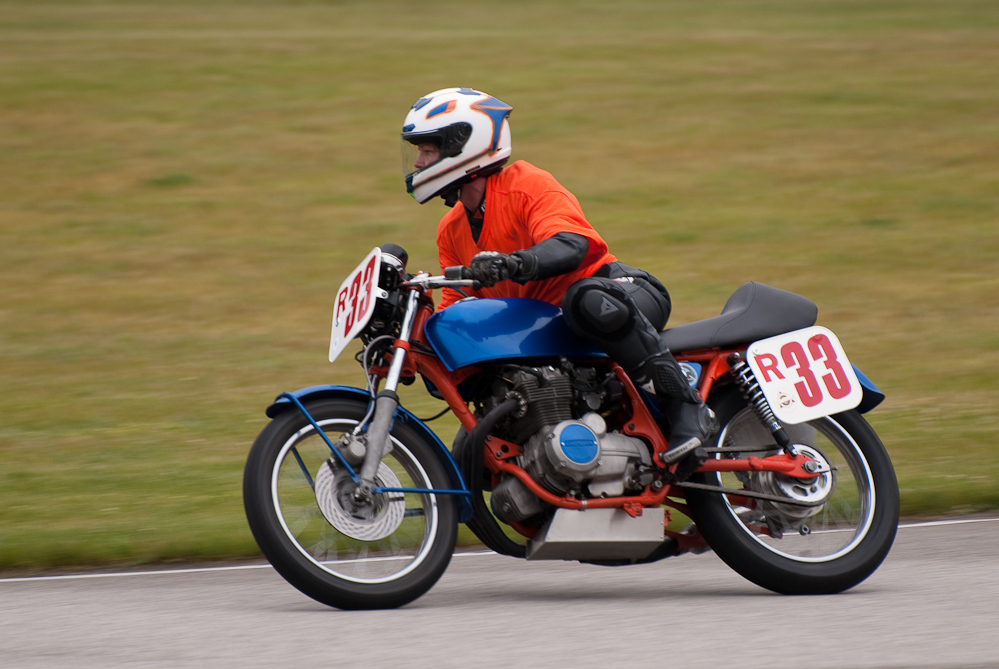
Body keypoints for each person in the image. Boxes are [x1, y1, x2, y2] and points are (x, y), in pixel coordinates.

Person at [401, 87, 717, 464]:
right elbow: (457, 304)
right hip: (554, 332)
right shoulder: (450, 229)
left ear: (462, 146)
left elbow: (573, 244)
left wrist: (512, 264)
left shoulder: (526, 184)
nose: (419, 162)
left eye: (428, 150)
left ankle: (686, 405)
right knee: (472, 456)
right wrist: (422, 345)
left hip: (617, 294)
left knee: (584, 300)